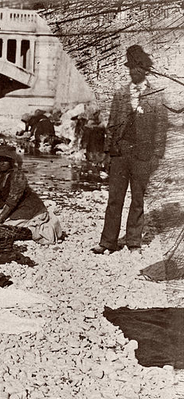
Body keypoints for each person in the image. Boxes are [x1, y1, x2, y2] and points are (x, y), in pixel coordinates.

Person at [91, 44, 168, 254]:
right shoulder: (120, 95)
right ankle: (108, 242)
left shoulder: (157, 97)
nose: (134, 71)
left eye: (139, 67)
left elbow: (161, 129)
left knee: (137, 199)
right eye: (131, 67)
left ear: (146, 70)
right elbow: (112, 125)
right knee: (115, 198)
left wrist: (157, 157)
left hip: (143, 156)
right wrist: (107, 154)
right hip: (120, 153)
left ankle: (134, 241)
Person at [0, 145, 63, 245]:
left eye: (4, 160)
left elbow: (12, 201)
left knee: (6, 226)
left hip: (28, 207)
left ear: (11, 161)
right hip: (10, 206)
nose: (1, 163)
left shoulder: (18, 175)